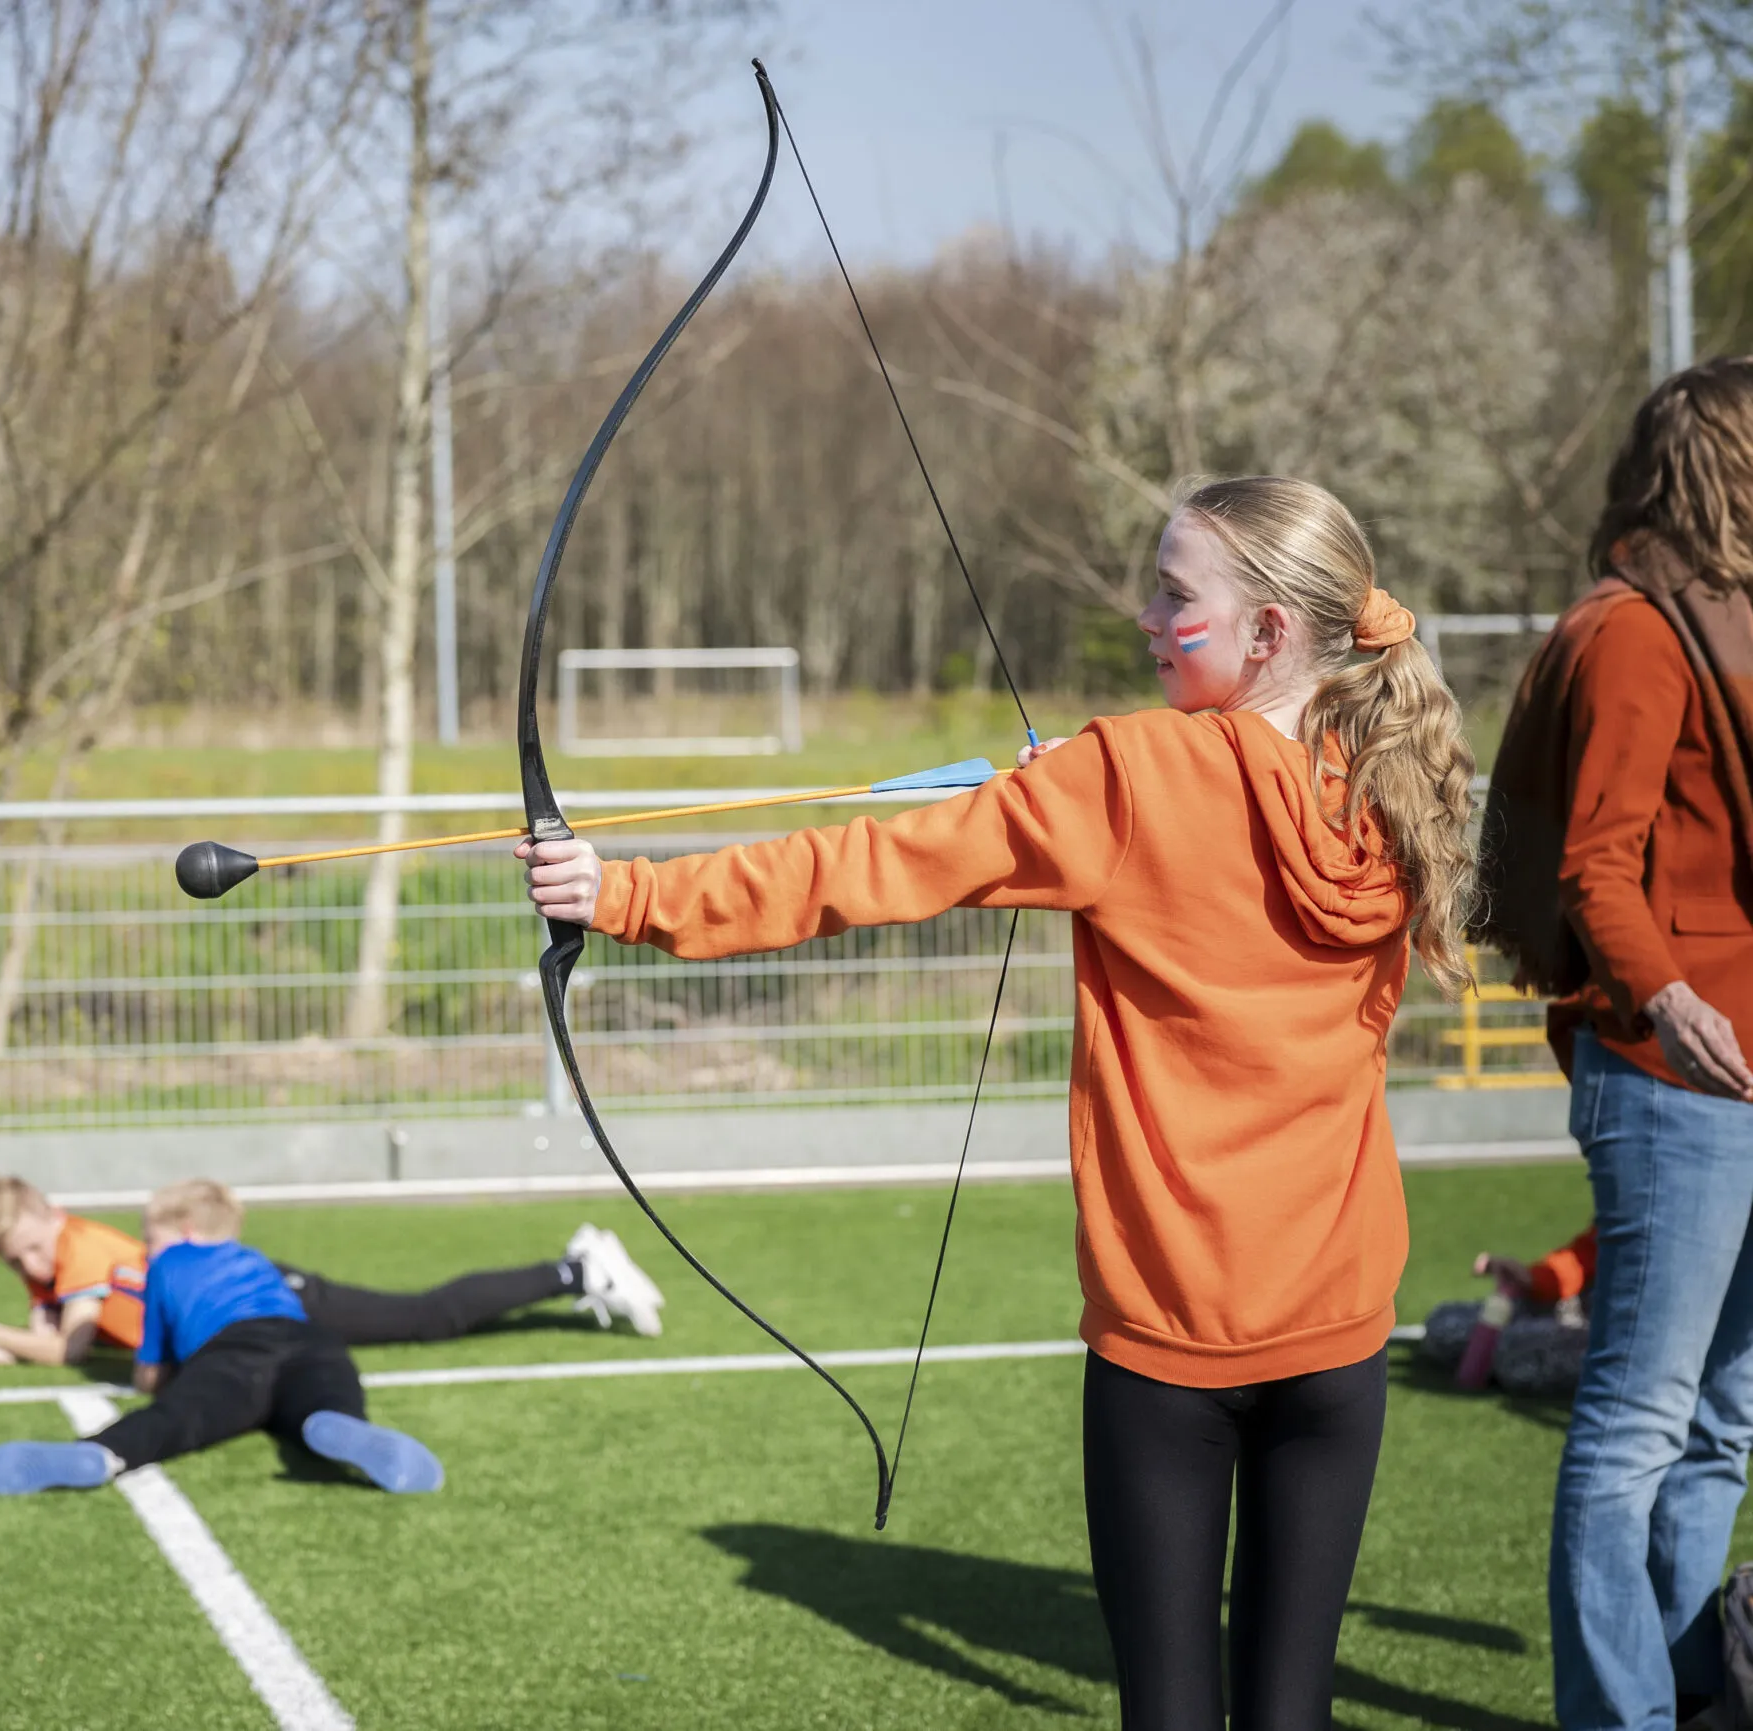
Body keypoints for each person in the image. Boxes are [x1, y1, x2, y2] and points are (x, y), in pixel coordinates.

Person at [522, 475, 1474, 1730]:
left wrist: (628, 895)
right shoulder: (1394, 779)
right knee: (1290, 1712)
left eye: (1173, 594)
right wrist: (1071, 792)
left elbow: (867, 867)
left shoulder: (1125, 774)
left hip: (1170, 1342)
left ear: (1265, 635)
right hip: (1341, 1334)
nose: (1145, 615)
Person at [1479, 358, 1753, 1731]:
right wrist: (1663, 995)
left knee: (1728, 1419)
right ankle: (1616, 1712)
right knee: (1639, 1423)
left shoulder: (1735, 623)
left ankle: (1698, 1683)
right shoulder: (1638, 631)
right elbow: (1597, 864)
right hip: (1675, 1076)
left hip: (1743, 1068)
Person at [0, 1174, 665, 1373]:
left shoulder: (83, 1251)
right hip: (238, 1316)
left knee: (424, 1317)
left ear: (54, 1213)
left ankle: (576, 1266)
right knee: (419, 1317)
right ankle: (575, 1267)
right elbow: (65, 1338)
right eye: (14, 1260)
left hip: (265, 1301)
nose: (30, 1266)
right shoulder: (56, 1266)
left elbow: (68, 1349)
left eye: (32, 1247)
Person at [0, 1178, 444, 1495]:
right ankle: (341, 1423)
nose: (145, 1250)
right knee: (323, 1393)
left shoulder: (164, 1267)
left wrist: (164, 1377)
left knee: (177, 1419)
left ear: (183, 1232)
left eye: (148, 1239)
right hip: (311, 1340)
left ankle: (98, 1453)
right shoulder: (253, 1258)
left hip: (231, 1352)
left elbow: (149, 1374)